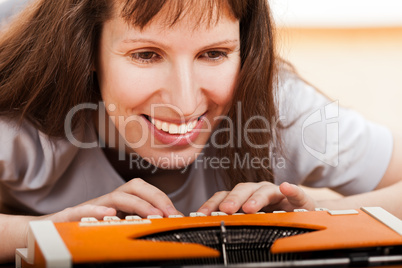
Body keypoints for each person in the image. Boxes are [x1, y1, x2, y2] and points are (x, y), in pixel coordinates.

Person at [0, 0, 401, 263]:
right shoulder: (21, 114)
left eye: (214, 53)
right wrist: (39, 231)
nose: (185, 100)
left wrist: (316, 213)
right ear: (85, 49)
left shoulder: (279, 107)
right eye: (146, 54)